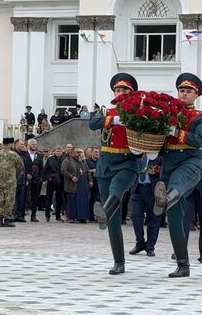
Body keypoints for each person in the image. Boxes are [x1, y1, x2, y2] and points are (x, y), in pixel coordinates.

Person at [153, 73, 202, 278]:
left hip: (190, 163)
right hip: (169, 163)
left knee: (175, 186)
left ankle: (163, 200)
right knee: (175, 219)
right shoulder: (166, 113)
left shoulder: (201, 117)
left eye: (189, 91)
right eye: (181, 90)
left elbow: (199, 140)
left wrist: (176, 132)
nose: (184, 93)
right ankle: (183, 265)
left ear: (196, 95)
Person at [89, 72, 140, 275]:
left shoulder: (139, 112)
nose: (120, 92)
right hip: (105, 164)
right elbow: (92, 123)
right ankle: (119, 261)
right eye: (118, 89)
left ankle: (104, 211)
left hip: (127, 163)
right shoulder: (106, 111)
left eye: (124, 90)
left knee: (116, 193)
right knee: (114, 218)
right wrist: (114, 119)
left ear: (131, 93)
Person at [129, 156, 162, 257]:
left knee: (153, 219)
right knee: (135, 216)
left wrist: (157, 170)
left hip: (152, 190)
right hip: (137, 189)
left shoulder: (158, 156)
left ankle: (150, 246)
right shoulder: (137, 155)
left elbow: (165, 169)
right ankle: (140, 243)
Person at [0, 138, 23, 227]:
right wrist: (15, 177)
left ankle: (0, 220)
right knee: (9, 200)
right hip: (10, 182)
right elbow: (20, 167)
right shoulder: (14, 155)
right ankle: (7, 220)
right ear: (10, 144)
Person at [61, 147, 91, 223]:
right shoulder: (67, 160)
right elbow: (63, 170)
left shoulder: (83, 161)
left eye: (80, 152)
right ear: (72, 153)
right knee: (72, 201)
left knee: (82, 201)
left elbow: (87, 171)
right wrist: (71, 177)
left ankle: (82, 217)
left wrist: (90, 180)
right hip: (72, 185)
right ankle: (71, 217)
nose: (79, 154)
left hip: (82, 184)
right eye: (77, 152)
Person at [43, 146, 64, 222]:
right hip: (51, 181)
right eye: (57, 151)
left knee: (59, 199)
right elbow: (45, 170)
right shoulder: (50, 159)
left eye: (60, 151)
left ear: (62, 152)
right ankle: (47, 215)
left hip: (61, 182)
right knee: (48, 198)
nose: (58, 153)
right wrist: (47, 178)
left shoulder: (63, 159)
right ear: (54, 151)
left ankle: (58, 216)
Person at [26, 139, 44, 222]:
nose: (34, 146)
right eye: (32, 144)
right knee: (25, 196)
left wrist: (40, 178)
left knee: (35, 198)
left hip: (37, 180)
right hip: (26, 179)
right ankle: (20, 214)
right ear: (29, 145)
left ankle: (33, 215)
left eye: (35, 144)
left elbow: (41, 168)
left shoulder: (39, 155)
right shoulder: (25, 154)